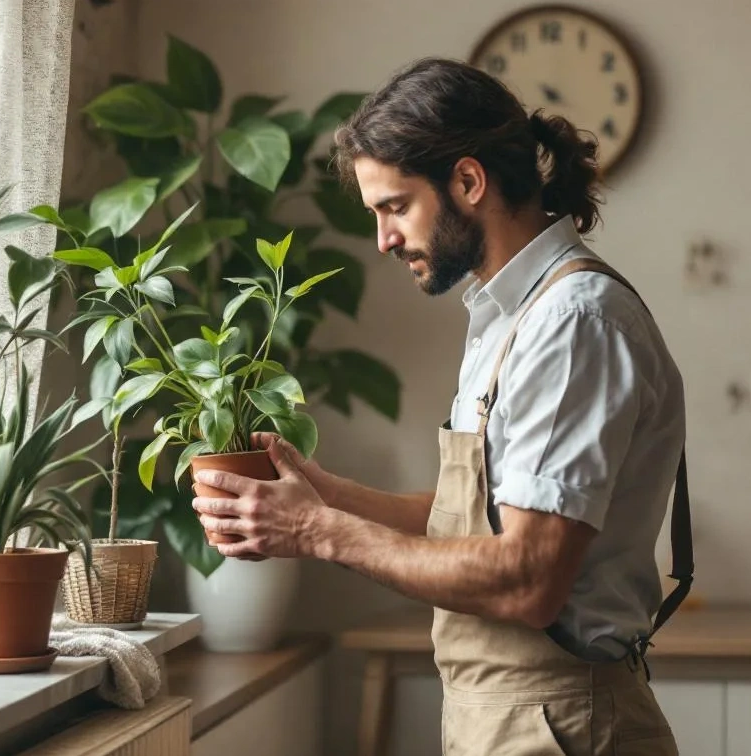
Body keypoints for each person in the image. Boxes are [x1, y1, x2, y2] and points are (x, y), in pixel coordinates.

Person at [190, 57, 692, 755]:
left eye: (395, 207)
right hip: (509, 721)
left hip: (563, 725)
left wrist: (317, 532)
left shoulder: (575, 322)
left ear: (467, 180)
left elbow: (526, 580)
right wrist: (324, 495)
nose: (384, 240)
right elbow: (477, 524)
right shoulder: (505, 316)